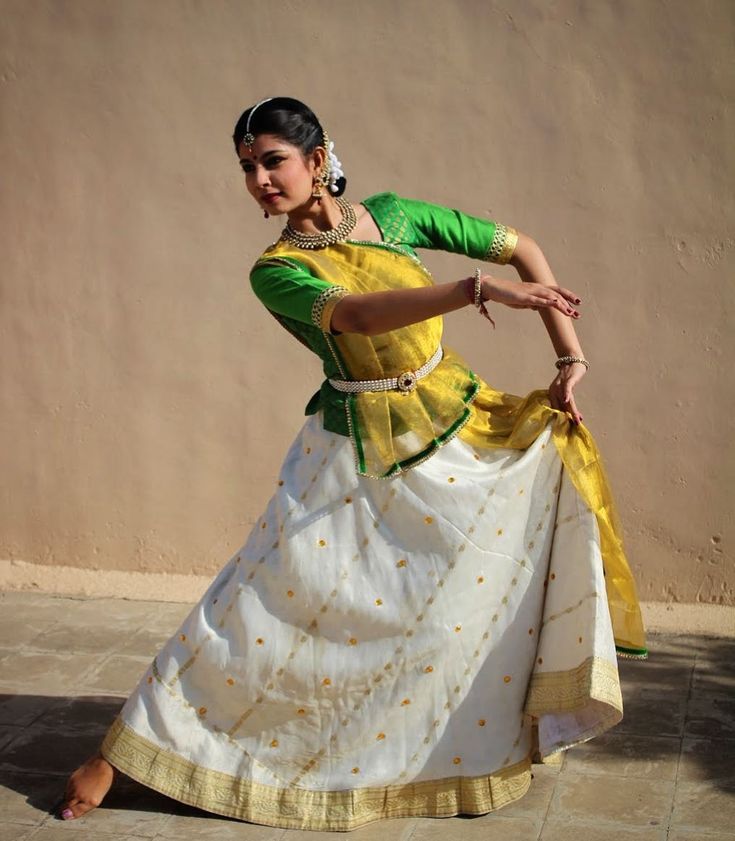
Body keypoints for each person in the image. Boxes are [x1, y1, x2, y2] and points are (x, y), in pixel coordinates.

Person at [57, 96, 647, 832]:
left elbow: (520, 248)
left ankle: (458, 749)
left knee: (456, 606)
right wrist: (474, 289)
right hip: (350, 446)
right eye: (247, 167)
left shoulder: (393, 217)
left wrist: (568, 356)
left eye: (272, 160)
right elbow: (359, 316)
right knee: (255, 605)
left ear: (317, 158)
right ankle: (128, 751)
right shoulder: (274, 269)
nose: (260, 179)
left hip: (454, 417)